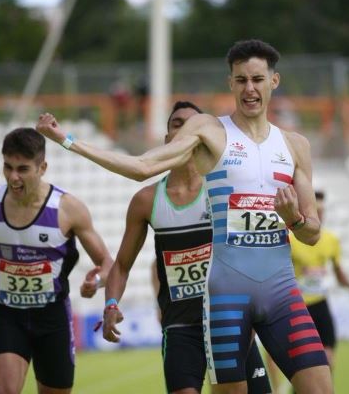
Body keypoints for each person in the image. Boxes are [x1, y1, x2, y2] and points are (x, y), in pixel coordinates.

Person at [37, 39, 333, 394]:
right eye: (241, 80)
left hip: (282, 293)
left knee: (321, 388)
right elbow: (142, 167)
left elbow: (312, 233)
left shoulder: (295, 145)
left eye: (257, 79)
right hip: (226, 299)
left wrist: (293, 219)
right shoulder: (209, 130)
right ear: (230, 83)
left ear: (274, 81)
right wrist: (68, 141)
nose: (249, 89)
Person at [101, 100, 272, 394]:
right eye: (177, 124)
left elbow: (252, 254)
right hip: (180, 327)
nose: (185, 130)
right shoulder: (146, 201)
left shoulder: (224, 188)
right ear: (167, 139)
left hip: (230, 321)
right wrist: (111, 305)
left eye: (194, 124)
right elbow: (121, 266)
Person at [0, 127, 114, 394]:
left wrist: (96, 282)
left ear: (42, 168)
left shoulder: (68, 208)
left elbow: (108, 263)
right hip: (7, 314)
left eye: (23, 169)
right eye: (7, 167)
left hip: (52, 318)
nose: (13, 177)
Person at [265, 191, 349, 390]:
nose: (321, 213)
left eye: (323, 210)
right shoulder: (289, 238)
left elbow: (338, 272)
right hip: (296, 305)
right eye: (317, 209)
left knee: (329, 359)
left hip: (320, 304)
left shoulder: (331, 240)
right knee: (279, 357)